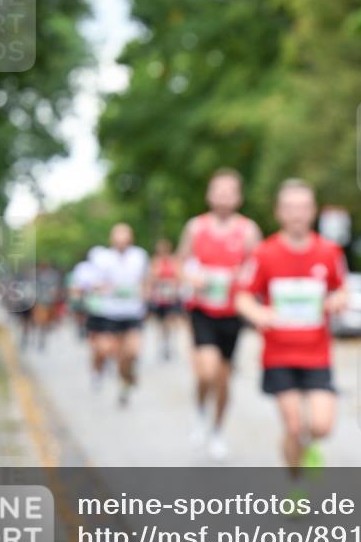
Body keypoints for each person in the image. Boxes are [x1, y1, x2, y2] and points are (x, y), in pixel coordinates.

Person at [236, 179, 347, 481]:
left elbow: (342, 290)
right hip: (279, 354)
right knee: (294, 425)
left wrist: (337, 300)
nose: (297, 214)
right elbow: (242, 296)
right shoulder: (263, 253)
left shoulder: (330, 252)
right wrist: (258, 311)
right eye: (290, 208)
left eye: (303, 207)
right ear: (279, 212)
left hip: (317, 353)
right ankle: (294, 481)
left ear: (313, 212)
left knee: (322, 426)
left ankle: (308, 447)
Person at [177, 169, 262, 459]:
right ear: (209, 195)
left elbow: (259, 268)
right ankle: (200, 412)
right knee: (207, 370)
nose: (224, 196)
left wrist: (243, 277)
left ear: (238, 197)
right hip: (202, 310)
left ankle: (217, 430)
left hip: (232, 312)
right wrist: (192, 279)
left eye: (230, 191)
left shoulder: (248, 230)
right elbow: (178, 265)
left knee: (223, 379)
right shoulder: (195, 228)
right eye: (218, 190)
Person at [84, 223, 150, 407]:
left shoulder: (139, 256)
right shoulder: (102, 257)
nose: (122, 241)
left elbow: (145, 281)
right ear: (112, 239)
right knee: (105, 350)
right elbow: (92, 283)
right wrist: (104, 288)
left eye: (125, 236)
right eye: (118, 237)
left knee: (131, 352)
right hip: (108, 313)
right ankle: (99, 371)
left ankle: (125, 385)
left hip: (132, 313)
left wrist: (145, 294)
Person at [147, 238, 181, 361]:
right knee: (161, 323)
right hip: (160, 297)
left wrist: (174, 287)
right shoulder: (155, 261)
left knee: (171, 320)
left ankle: (170, 344)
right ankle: (162, 344)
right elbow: (151, 277)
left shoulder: (173, 261)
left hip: (171, 296)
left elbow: (179, 276)